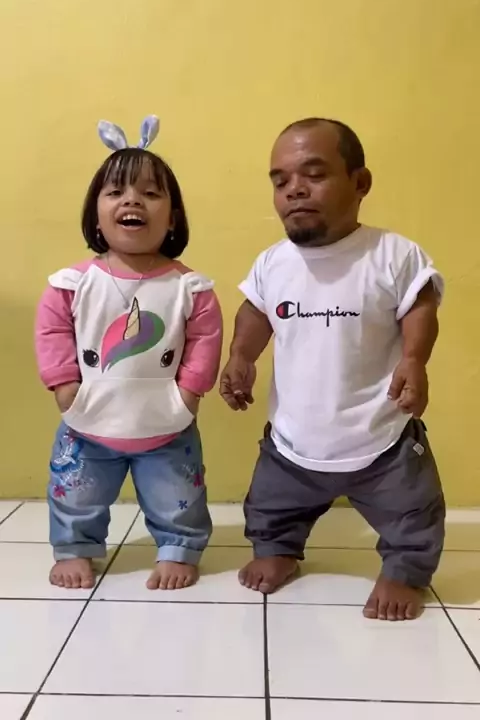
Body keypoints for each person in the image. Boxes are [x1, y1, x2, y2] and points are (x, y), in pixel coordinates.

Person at [220, 117, 444, 621]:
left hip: (381, 436)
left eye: (314, 174)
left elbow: (421, 306)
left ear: (360, 182)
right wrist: (240, 356)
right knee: (271, 505)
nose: (294, 189)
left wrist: (413, 360)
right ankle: (278, 548)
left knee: (413, 510)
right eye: (280, 180)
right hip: (293, 440)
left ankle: (405, 570)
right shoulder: (274, 262)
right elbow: (255, 311)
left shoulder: (392, 255)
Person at [35, 116, 222, 592]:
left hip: (166, 422)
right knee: (76, 491)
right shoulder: (73, 283)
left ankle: (178, 547)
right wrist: (64, 386)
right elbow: (53, 330)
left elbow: (205, 339)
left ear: (172, 217)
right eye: (116, 191)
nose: (132, 200)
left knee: (178, 493)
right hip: (88, 418)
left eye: (150, 193)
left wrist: (189, 393)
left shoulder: (189, 287)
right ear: (96, 213)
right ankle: (75, 547)